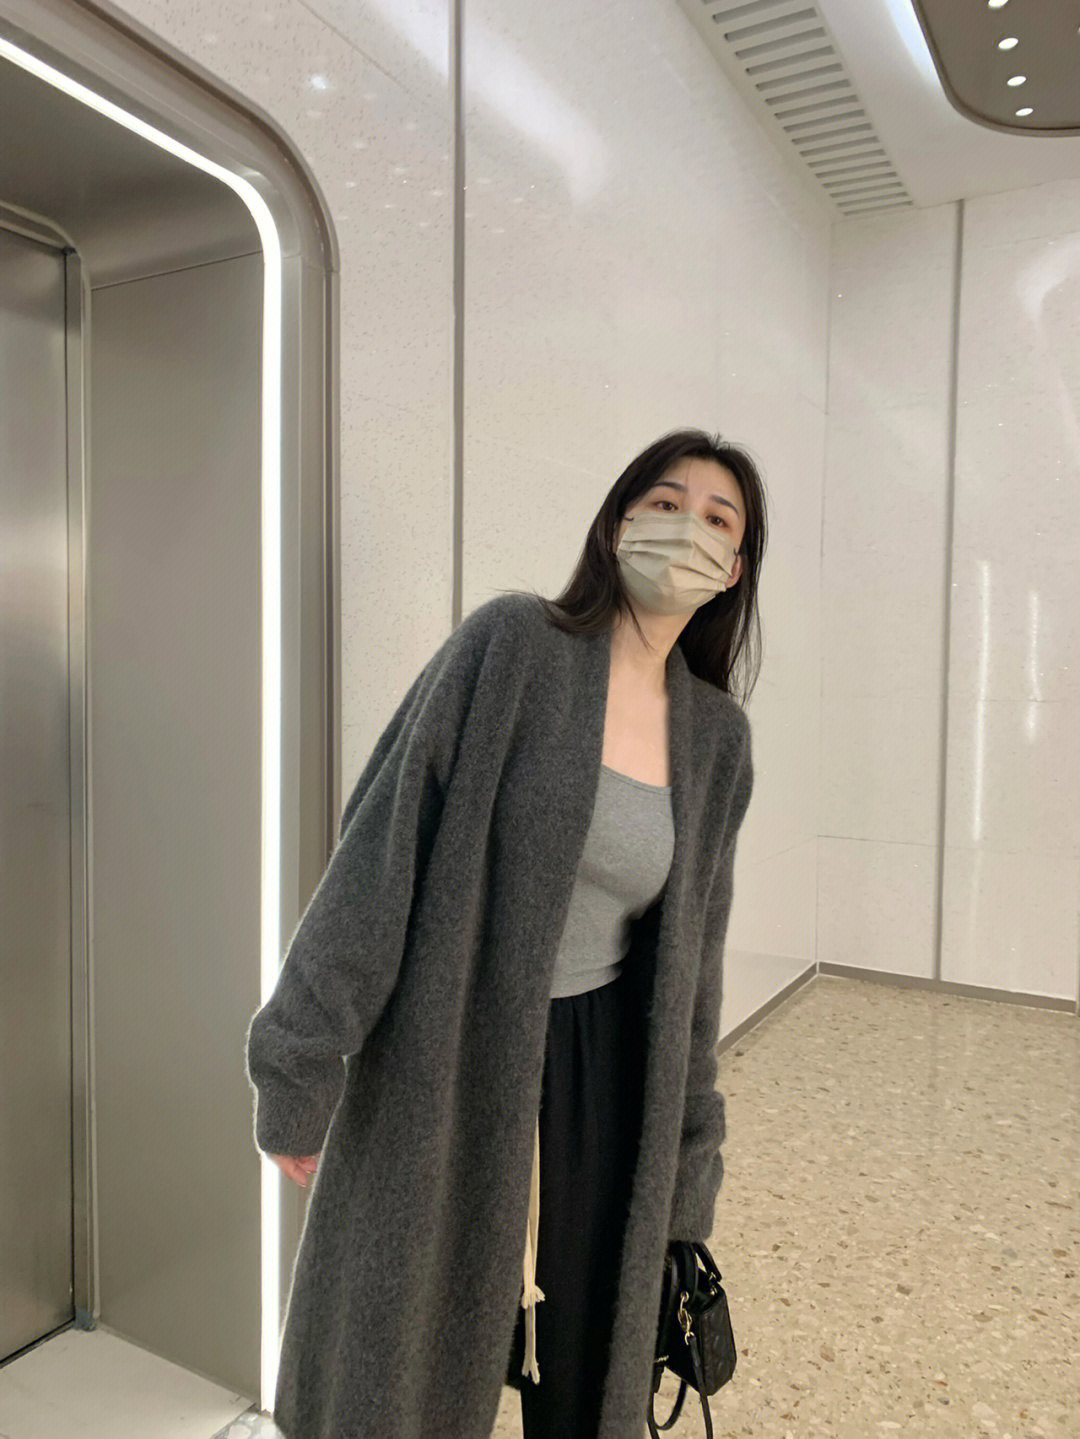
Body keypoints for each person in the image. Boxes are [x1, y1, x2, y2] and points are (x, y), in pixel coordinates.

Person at [249, 427, 765, 1439]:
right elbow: (381, 854)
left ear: (735, 567)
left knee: (582, 1370)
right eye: (666, 503)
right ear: (619, 521)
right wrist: (299, 1058)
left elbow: (694, 974)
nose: (687, 531)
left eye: (718, 519)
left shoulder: (715, 738)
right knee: (400, 1364)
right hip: (455, 1056)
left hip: (607, 1080)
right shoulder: (515, 648)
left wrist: (688, 1169)